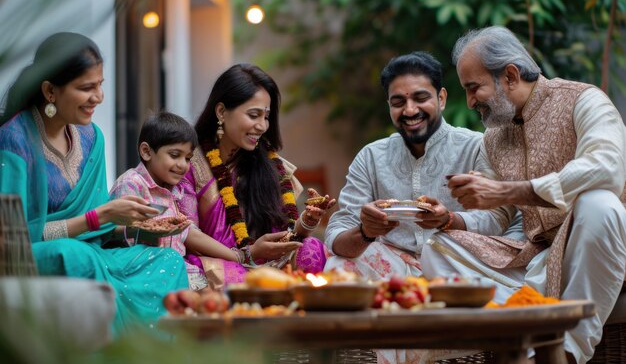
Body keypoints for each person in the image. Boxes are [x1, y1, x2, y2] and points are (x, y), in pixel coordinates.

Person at [421, 26, 626, 364]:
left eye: (474, 88)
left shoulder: (583, 99)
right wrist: (451, 218)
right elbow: (497, 214)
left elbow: (607, 169)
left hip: (595, 243)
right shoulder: (493, 138)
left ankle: (568, 352)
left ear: (511, 76)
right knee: (438, 249)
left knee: (598, 204)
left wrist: (511, 190)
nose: (470, 102)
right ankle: (526, 340)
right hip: (539, 256)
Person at [323, 51, 520, 364]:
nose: (410, 110)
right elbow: (335, 234)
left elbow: (499, 218)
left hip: (454, 267)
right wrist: (365, 231)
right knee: (338, 266)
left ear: (441, 98)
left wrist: (449, 220)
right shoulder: (372, 157)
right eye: (398, 102)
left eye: (420, 97)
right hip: (390, 273)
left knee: (445, 250)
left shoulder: (475, 146)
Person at [0, 32, 189, 334]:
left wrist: (134, 225)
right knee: (76, 254)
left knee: (167, 260)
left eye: (100, 85)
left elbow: (98, 227)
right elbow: (15, 237)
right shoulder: (15, 139)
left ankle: (159, 351)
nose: (98, 97)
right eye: (86, 87)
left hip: (90, 251)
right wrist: (100, 216)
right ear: (50, 91)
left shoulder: (91, 138)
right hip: (32, 255)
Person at [178, 63, 336, 290]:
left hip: (268, 264)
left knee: (312, 248)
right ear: (221, 112)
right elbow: (186, 231)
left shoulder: (270, 164)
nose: (262, 126)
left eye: (267, 116)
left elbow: (285, 236)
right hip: (219, 264)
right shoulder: (190, 162)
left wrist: (307, 222)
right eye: (254, 115)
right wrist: (244, 255)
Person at [109, 110, 241, 290]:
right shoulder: (131, 184)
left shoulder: (173, 190)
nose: (183, 165)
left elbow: (188, 232)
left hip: (178, 269)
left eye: (187, 158)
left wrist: (239, 257)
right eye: (174, 155)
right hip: (143, 273)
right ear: (147, 152)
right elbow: (119, 234)